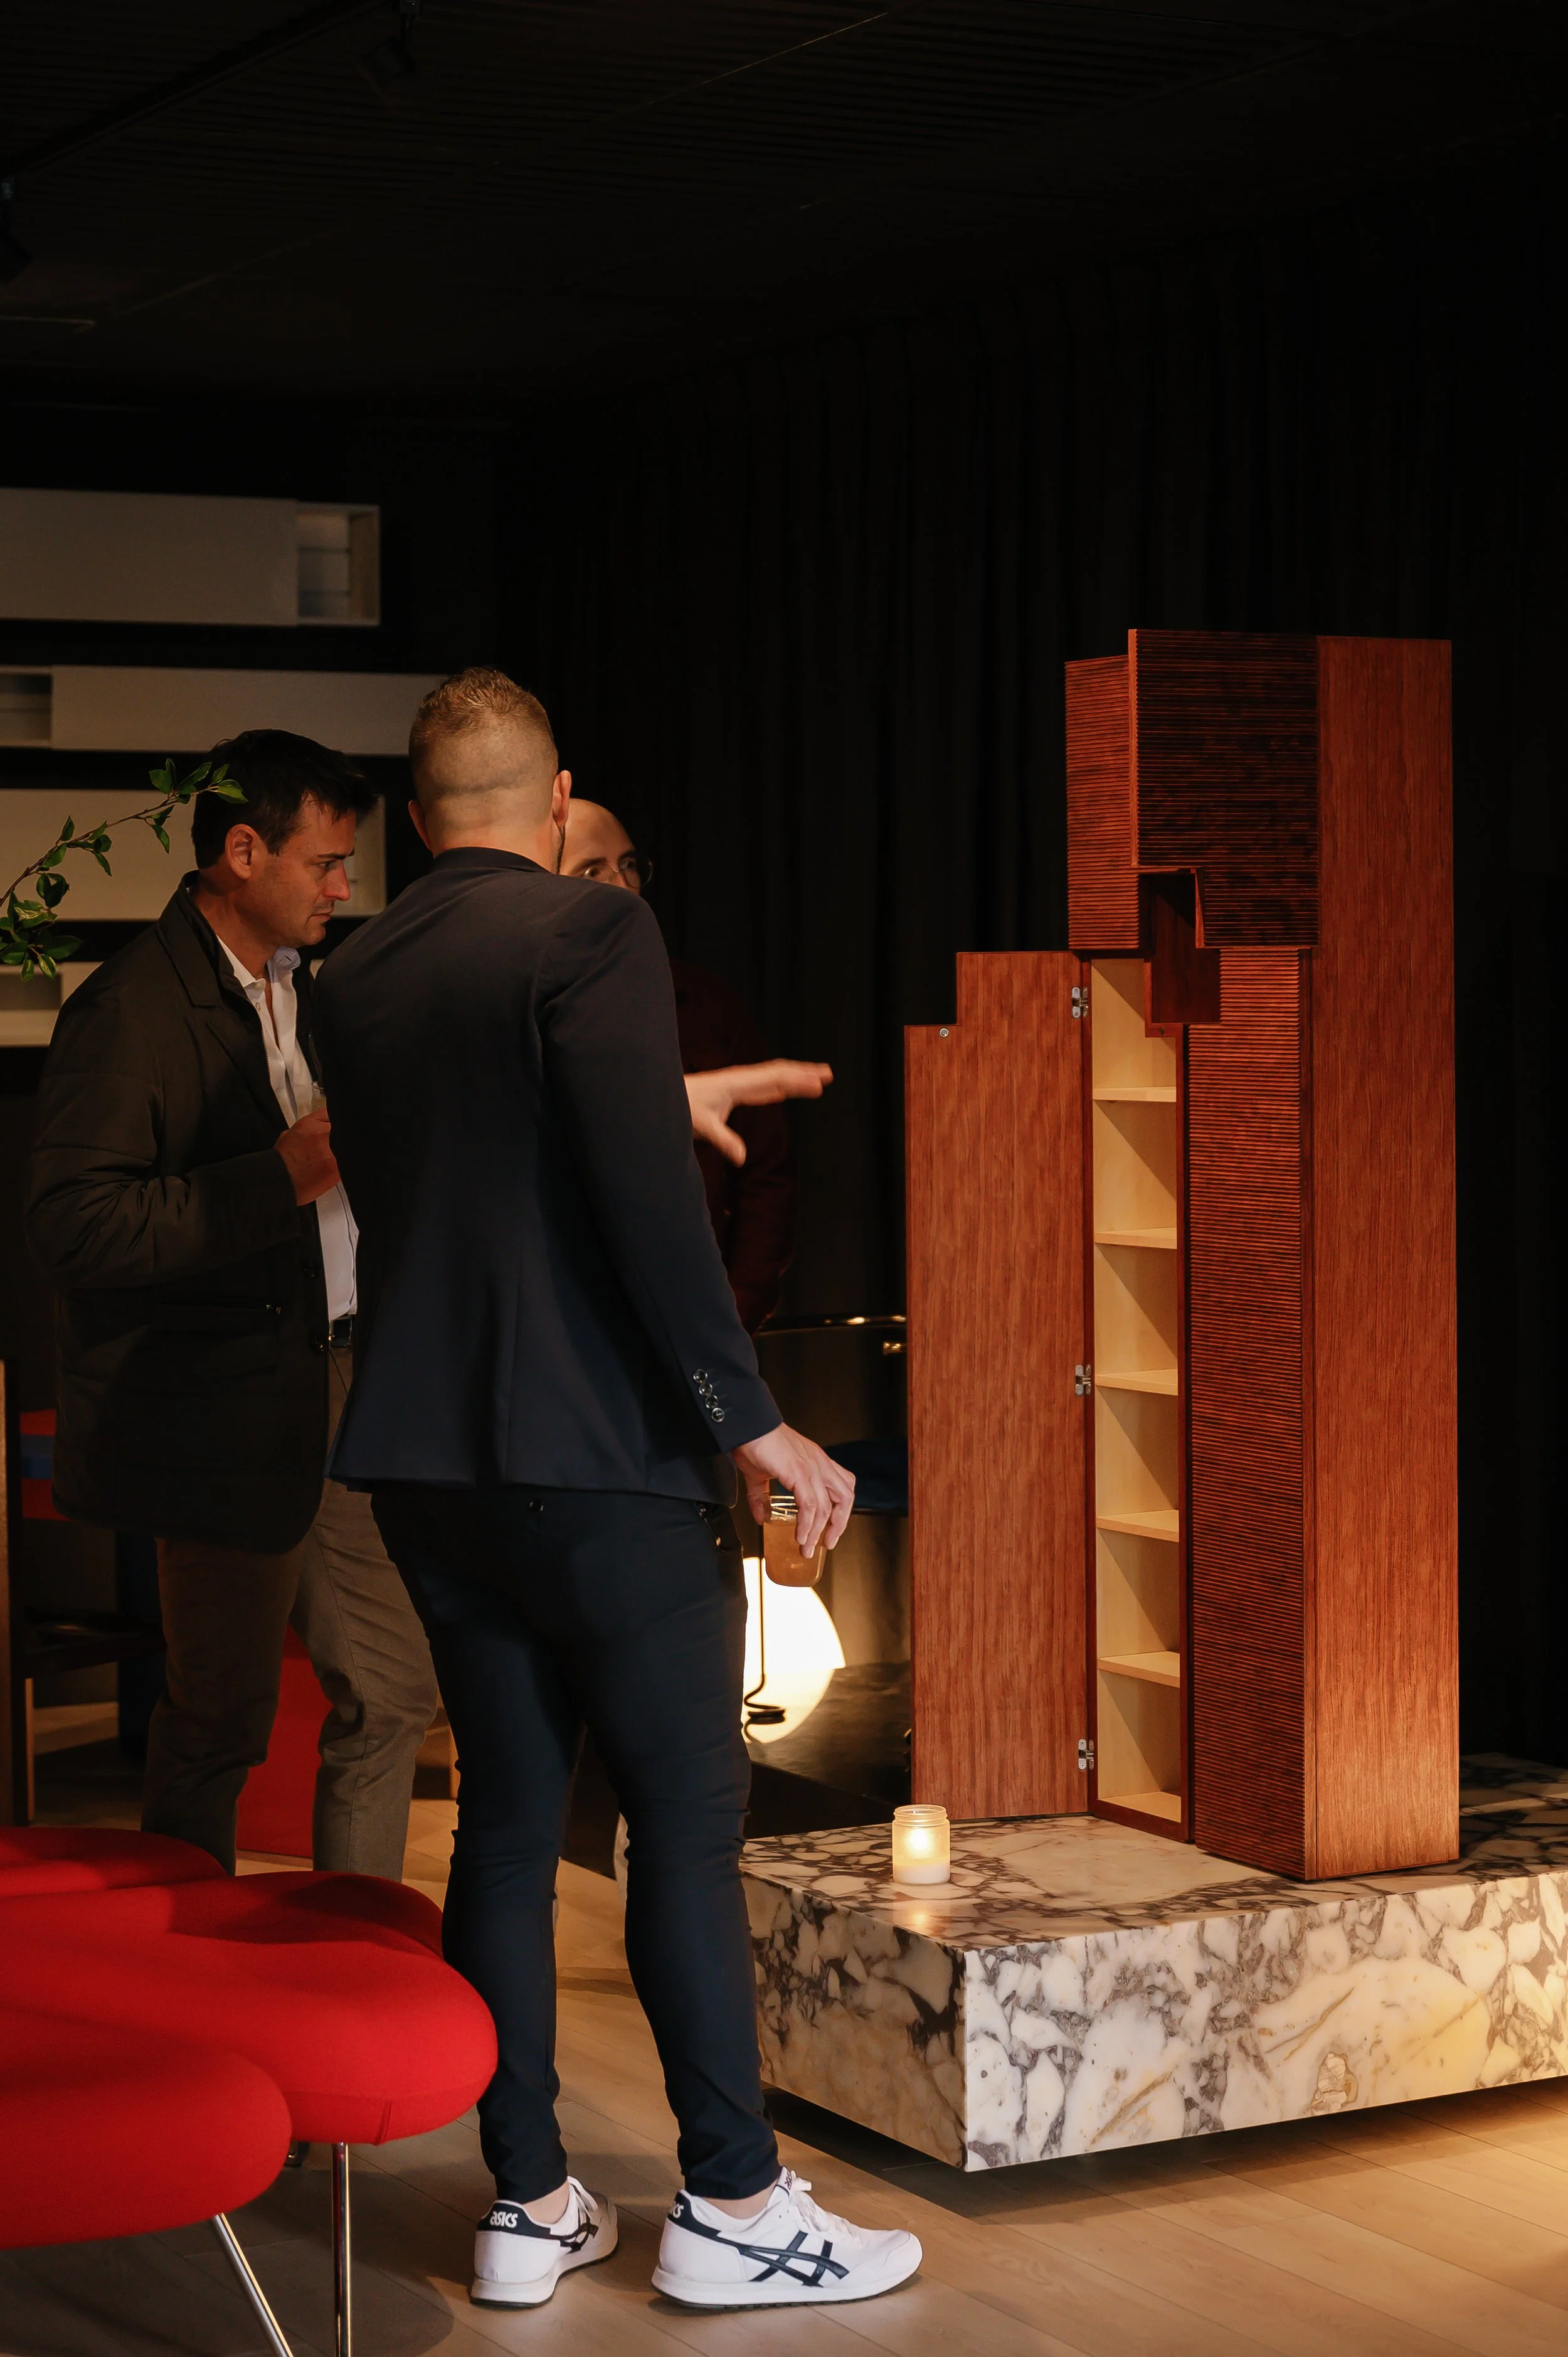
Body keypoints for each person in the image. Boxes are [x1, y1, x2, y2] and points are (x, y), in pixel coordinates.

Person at [314, 667, 921, 2313]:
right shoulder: (594, 934)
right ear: (559, 794)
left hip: (423, 1461)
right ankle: (732, 2198)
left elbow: (478, 1169)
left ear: (415, 813)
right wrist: (753, 1420)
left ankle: (526, 2196)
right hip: (598, 1459)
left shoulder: (349, 973)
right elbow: (646, 1213)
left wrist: (659, 1102)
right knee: (684, 1824)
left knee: (506, 1822)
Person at [24, 731, 439, 1878]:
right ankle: (191, 1982)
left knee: (395, 1689)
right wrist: (283, 1175)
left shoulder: (312, 993)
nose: (345, 887)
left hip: (347, 1385)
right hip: (215, 1412)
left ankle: (356, 1958)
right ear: (241, 852)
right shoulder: (129, 1010)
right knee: (218, 1724)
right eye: (325, 863)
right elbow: (76, 1225)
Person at [563, 797, 793, 1331]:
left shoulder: (703, 1001)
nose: (622, 886)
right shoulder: (521, 1007)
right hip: (576, 1329)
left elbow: (768, 1174)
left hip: (698, 1318)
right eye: (591, 869)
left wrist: (740, 1306)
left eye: (628, 865)